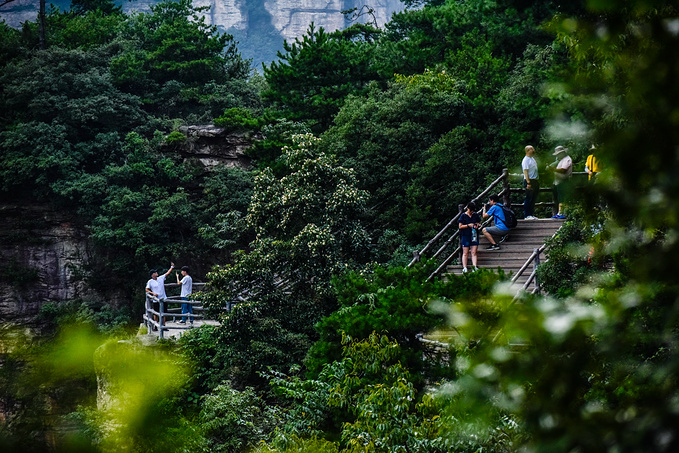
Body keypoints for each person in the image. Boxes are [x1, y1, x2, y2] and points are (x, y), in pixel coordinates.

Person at [547, 145, 572, 219]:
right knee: (560, 197)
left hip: (564, 181)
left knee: (563, 198)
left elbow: (563, 170)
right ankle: (561, 212)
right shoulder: (561, 160)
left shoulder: (567, 159)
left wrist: (553, 169)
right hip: (559, 181)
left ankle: (562, 213)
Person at [459, 201, 481, 272]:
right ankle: (464, 267)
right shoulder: (463, 216)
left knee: (474, 252)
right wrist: (468, 225)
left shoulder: (476, 215)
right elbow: (460, 226)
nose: (471, 212)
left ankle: (474, 266)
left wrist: (476, 225)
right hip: (465, 235)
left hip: (474, 234)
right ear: (467, 208)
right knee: (465, 252)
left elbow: (479, 223)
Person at [522, 145, 540, 220]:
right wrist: (528, 182)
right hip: (530, 180)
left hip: (535, 180)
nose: (533, 150)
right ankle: (527, 215)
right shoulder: (526, 160)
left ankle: (531, 214)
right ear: (527, 151)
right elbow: (525, 171)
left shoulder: (532, 159)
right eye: (531, 149)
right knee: (528, 198)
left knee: (533, 198)